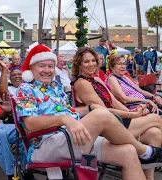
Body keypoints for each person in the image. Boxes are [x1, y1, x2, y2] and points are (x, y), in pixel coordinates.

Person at [15, 45, 162, 180]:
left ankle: (142, 152)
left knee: (128, 151)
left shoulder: (56, 88)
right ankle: (145, 152)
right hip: (45, 146)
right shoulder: (25, 89)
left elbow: (70, 111)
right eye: (41, 66)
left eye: (50, 66)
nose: (47, 70)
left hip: (76, 140)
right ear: (31, 69)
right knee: (101, 115)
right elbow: (31, 124)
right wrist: (65, 119)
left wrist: (89, 108)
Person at [71, 47, 162, 179]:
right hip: (105, 128)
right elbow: (102, 110)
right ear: (79, 64)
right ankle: (147, 157)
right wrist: (132, 115)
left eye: (93, 60)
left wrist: (133, 111)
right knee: (156, 119)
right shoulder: (82, 83)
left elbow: (114, 102)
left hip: (118, 119)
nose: (91, 64)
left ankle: (149, 177)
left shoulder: (96, 79)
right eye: (86, 62)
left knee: (155, 133)